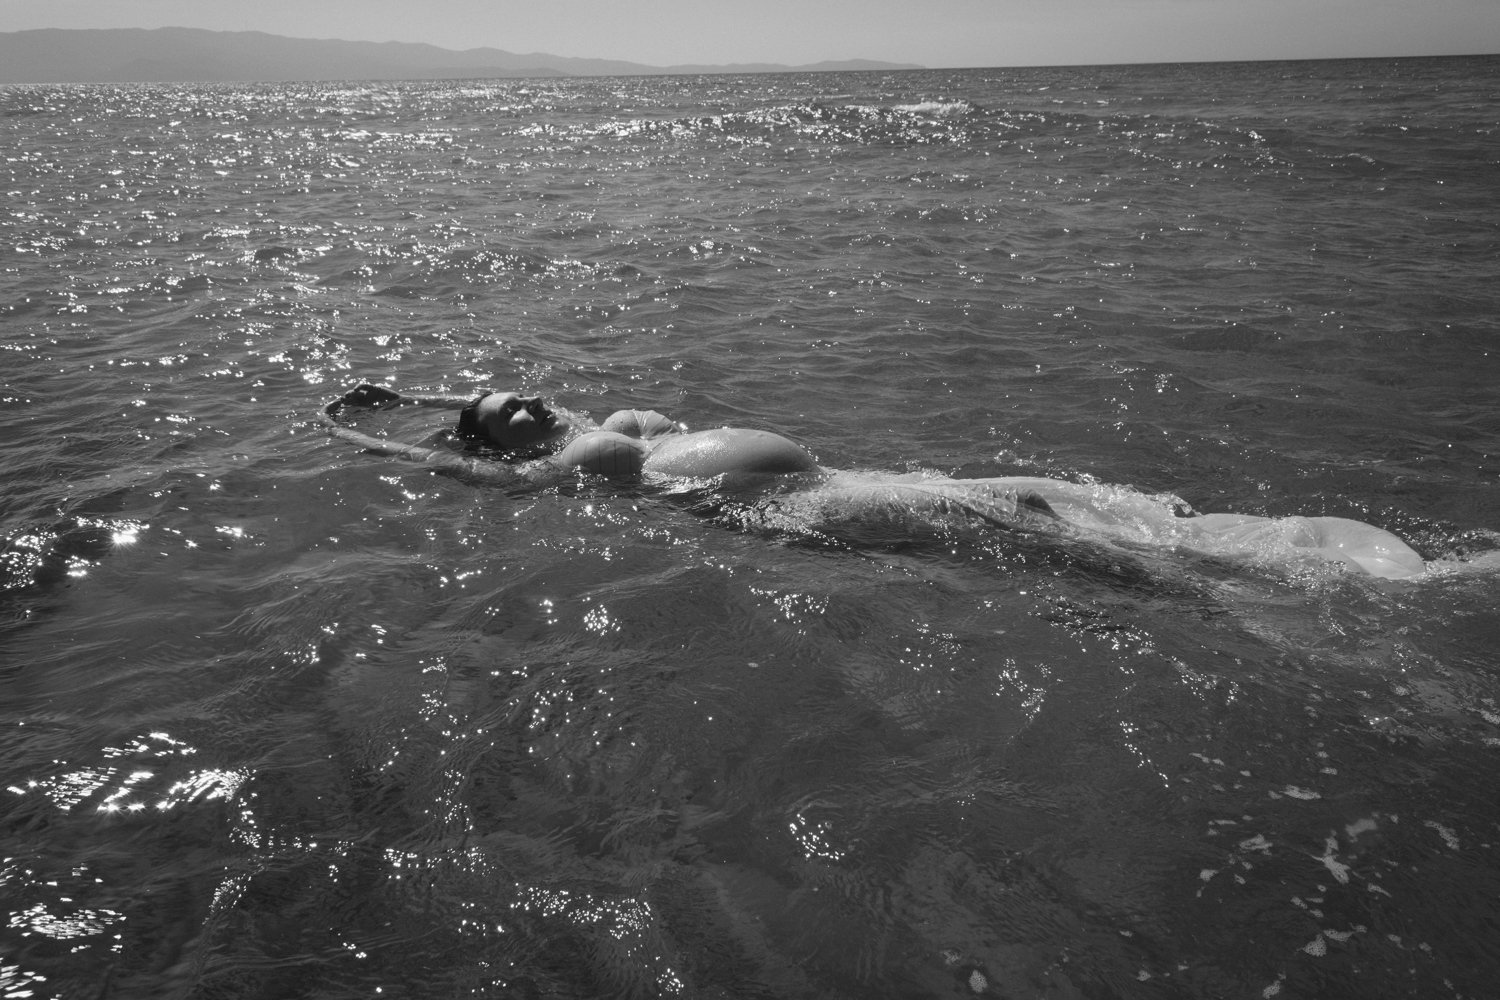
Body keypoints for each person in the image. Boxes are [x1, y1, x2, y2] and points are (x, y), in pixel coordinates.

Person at [320, 384, 1428, 580]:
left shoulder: (599, 421)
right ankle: (1258, 592)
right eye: (500, 417)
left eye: (514, 394)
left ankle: (1262, 546)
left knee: (1051, 491)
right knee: (1033, 522)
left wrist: (427, 391)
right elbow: (474, 479)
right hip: (804, 509)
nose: (519, 406)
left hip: (852, 475)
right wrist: (384, 436)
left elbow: (514, 407)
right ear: (498, 448)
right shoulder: (569, 463)